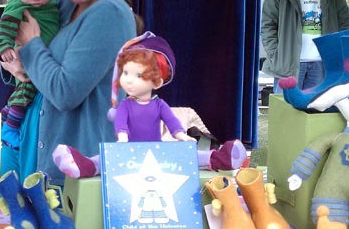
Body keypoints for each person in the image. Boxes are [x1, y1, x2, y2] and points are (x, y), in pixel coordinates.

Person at [0, 0, 142, 186]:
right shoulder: (65, 0)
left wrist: (31, 47)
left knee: (65, 227)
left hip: (78, 158)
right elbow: (32, 45)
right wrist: (12, 62)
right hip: (41, 143)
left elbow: (65, 93)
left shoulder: (109, 14)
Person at [52, 33, 248, 178]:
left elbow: (172, 123)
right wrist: (122, 139)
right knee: (106, 160)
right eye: (125, 73)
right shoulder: (125, 106)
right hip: (130, 151)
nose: (128, 80)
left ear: (157, 82)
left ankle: (219, 159)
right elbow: (121, 125)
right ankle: (85, 165)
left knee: (186, 157)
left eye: (138, 75)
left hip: (158, 150)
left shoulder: (159, 105)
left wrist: (181, 135)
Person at [261, 0, 349, 93]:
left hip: (322, 65)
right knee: (287, 112)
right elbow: (268, 24)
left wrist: (338, 55)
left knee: (316, 112)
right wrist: (277, 55)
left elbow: (345, 24)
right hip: (288, 66)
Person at [0, 0, 59, 149]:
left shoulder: (55, 5)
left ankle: (7, 114)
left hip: (44, 59)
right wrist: (4, 48)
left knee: (24, 94)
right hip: (28, 60)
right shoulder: (17, 6)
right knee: (26, 92)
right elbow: (3, 27)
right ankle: (10, 129)